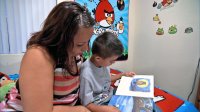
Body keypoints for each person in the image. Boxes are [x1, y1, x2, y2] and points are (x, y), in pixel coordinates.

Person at [17, 1, 95, 112]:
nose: (86, 49)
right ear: (59, 38)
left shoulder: (75, 55)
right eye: (80, 44)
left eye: (88, 42)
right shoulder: (38, 56)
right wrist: (80, 110)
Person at [79, 32, 135, 112]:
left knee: (133, 99)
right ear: (98, 58)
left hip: (109, 94)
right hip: (99, 104)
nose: (113, 63)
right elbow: (86, 104)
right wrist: (107, 109)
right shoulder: (86, 74)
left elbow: (106, 79)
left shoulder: (102, 63)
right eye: (111, 61)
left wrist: (123, 75)